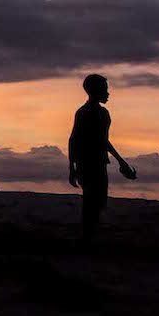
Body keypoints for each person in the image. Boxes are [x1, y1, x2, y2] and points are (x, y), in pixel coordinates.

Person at [68, 73, 136, 241]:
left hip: (94, 163)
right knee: (93, 202)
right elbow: (75, 139)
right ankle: (87, 239)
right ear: (95, 91)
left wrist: (121, 161)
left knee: (96, 202)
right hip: (89, 163)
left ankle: (88, 237)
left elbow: (101, 141)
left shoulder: (98, 113)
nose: (108, 93)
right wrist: (71, 168)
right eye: (105, 89)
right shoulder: (88, 113)